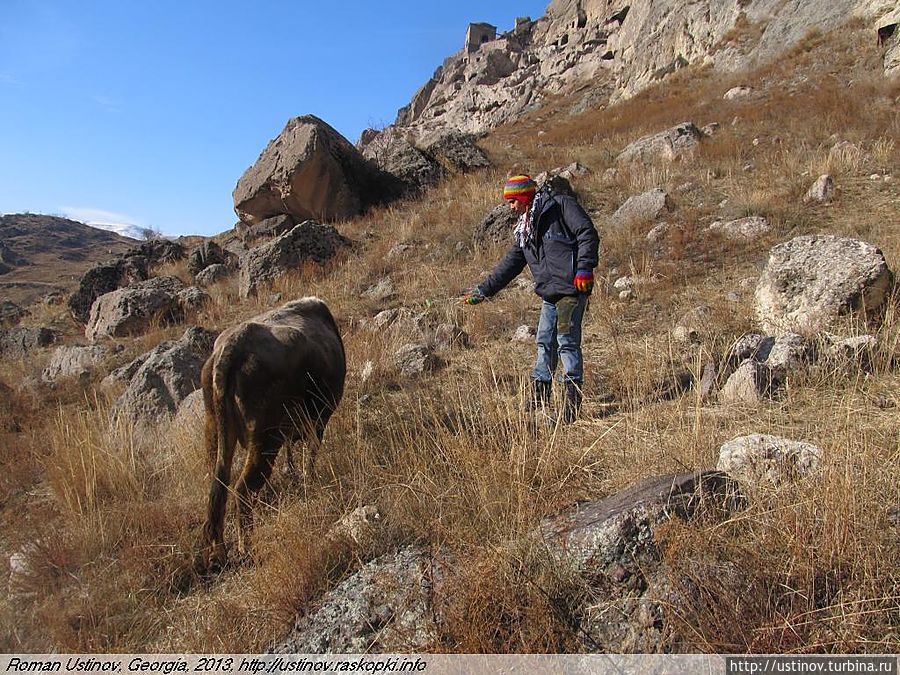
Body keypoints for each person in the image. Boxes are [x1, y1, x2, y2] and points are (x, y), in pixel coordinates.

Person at [463, 175, 600, 423]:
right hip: (550, 293)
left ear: (525, 197)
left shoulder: (560, 206)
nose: (511, 207)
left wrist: (584, 268)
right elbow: (509, 265)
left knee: (567, 342)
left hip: (571, 289)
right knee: (544, 341)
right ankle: (540, 394)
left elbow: (587, 232)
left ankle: (570, 405)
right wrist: (483, 291)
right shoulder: (526, 229)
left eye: (513, 201)